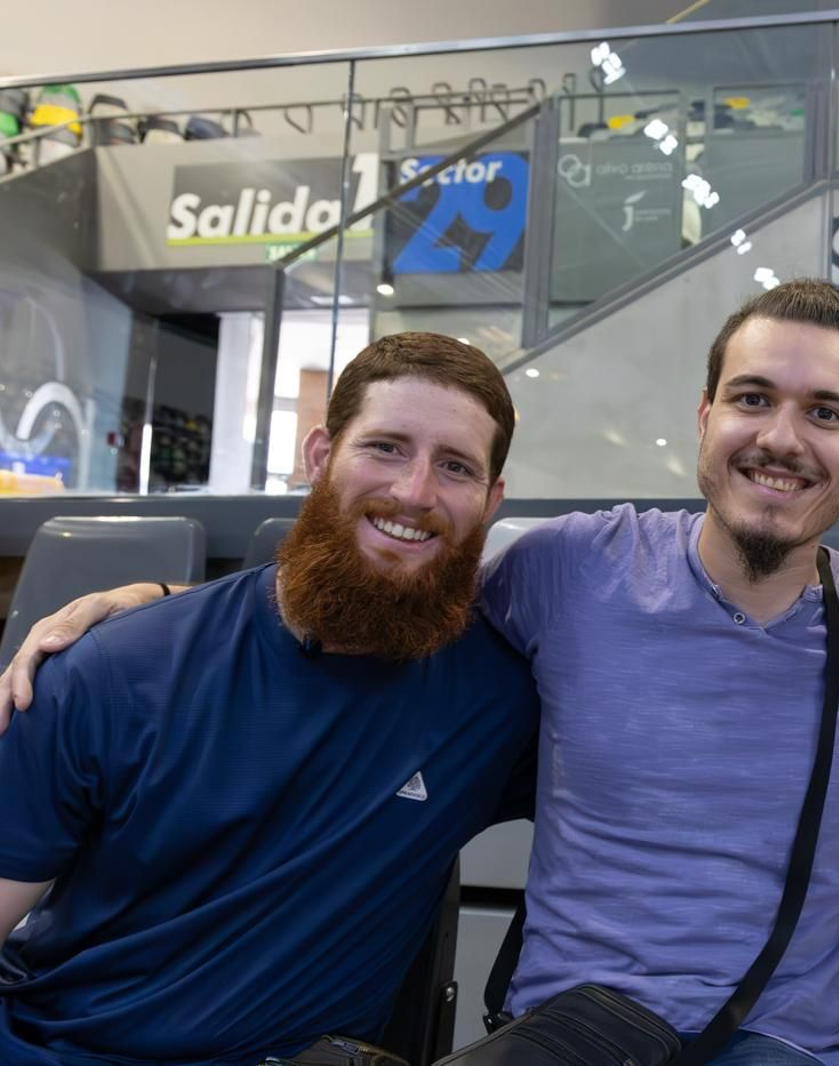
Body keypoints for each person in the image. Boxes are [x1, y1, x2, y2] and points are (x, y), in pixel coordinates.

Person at [0, 281, 839, 1066]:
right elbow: (338, 593)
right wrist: (157, 604)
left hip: (753, 1039)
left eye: (825, 412)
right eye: (385, 448)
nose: (416, 494)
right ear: (706, 417)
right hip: (548, 1032)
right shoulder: (566, 573)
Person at [0, 332, 539, 1064]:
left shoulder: (494, 697)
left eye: (455, 467)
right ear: (320, 457)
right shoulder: (111, 669)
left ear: (490, 500)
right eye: (384, 447)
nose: (415, 492)